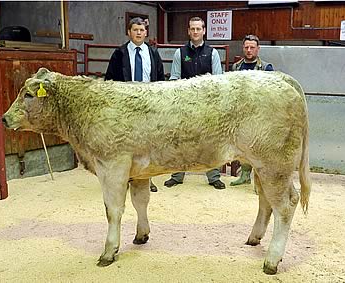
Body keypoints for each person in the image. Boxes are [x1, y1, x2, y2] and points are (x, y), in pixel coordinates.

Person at [163, 16, 226, 190]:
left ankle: (214, 177)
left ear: (204, 31)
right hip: (184, 106)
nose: (196, 32)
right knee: (180, 140)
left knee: (210, 141)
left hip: (207, 106)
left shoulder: (212, 53)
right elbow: (175, 79)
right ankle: (177, 175)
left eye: (199, 28)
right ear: (189, 31)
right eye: (193, 29)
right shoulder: (180, 53)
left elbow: (218, 82)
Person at [105, 17, 165, 192]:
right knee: (127, 143)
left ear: (146, 33)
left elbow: (160, 79)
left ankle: (148, 177)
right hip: (126, 107)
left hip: (148, 105)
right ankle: (126, 177)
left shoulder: (153, 53)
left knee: (148, 142)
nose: (139, 33)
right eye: (135, 30)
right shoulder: (119, 54)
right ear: (129, 32)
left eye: (141, 30)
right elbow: (109, 80)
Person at [230, 34, 274, 187]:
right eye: (246, 47)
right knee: (243, 147)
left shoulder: (266, 68)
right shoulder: (236, 67)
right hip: (242, 114)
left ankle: (260, 181)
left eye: (252, 48)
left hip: (260, 114)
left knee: (260, 148)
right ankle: (245, 175)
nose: (249, 50)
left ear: (258, 49)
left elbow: (271, 93)